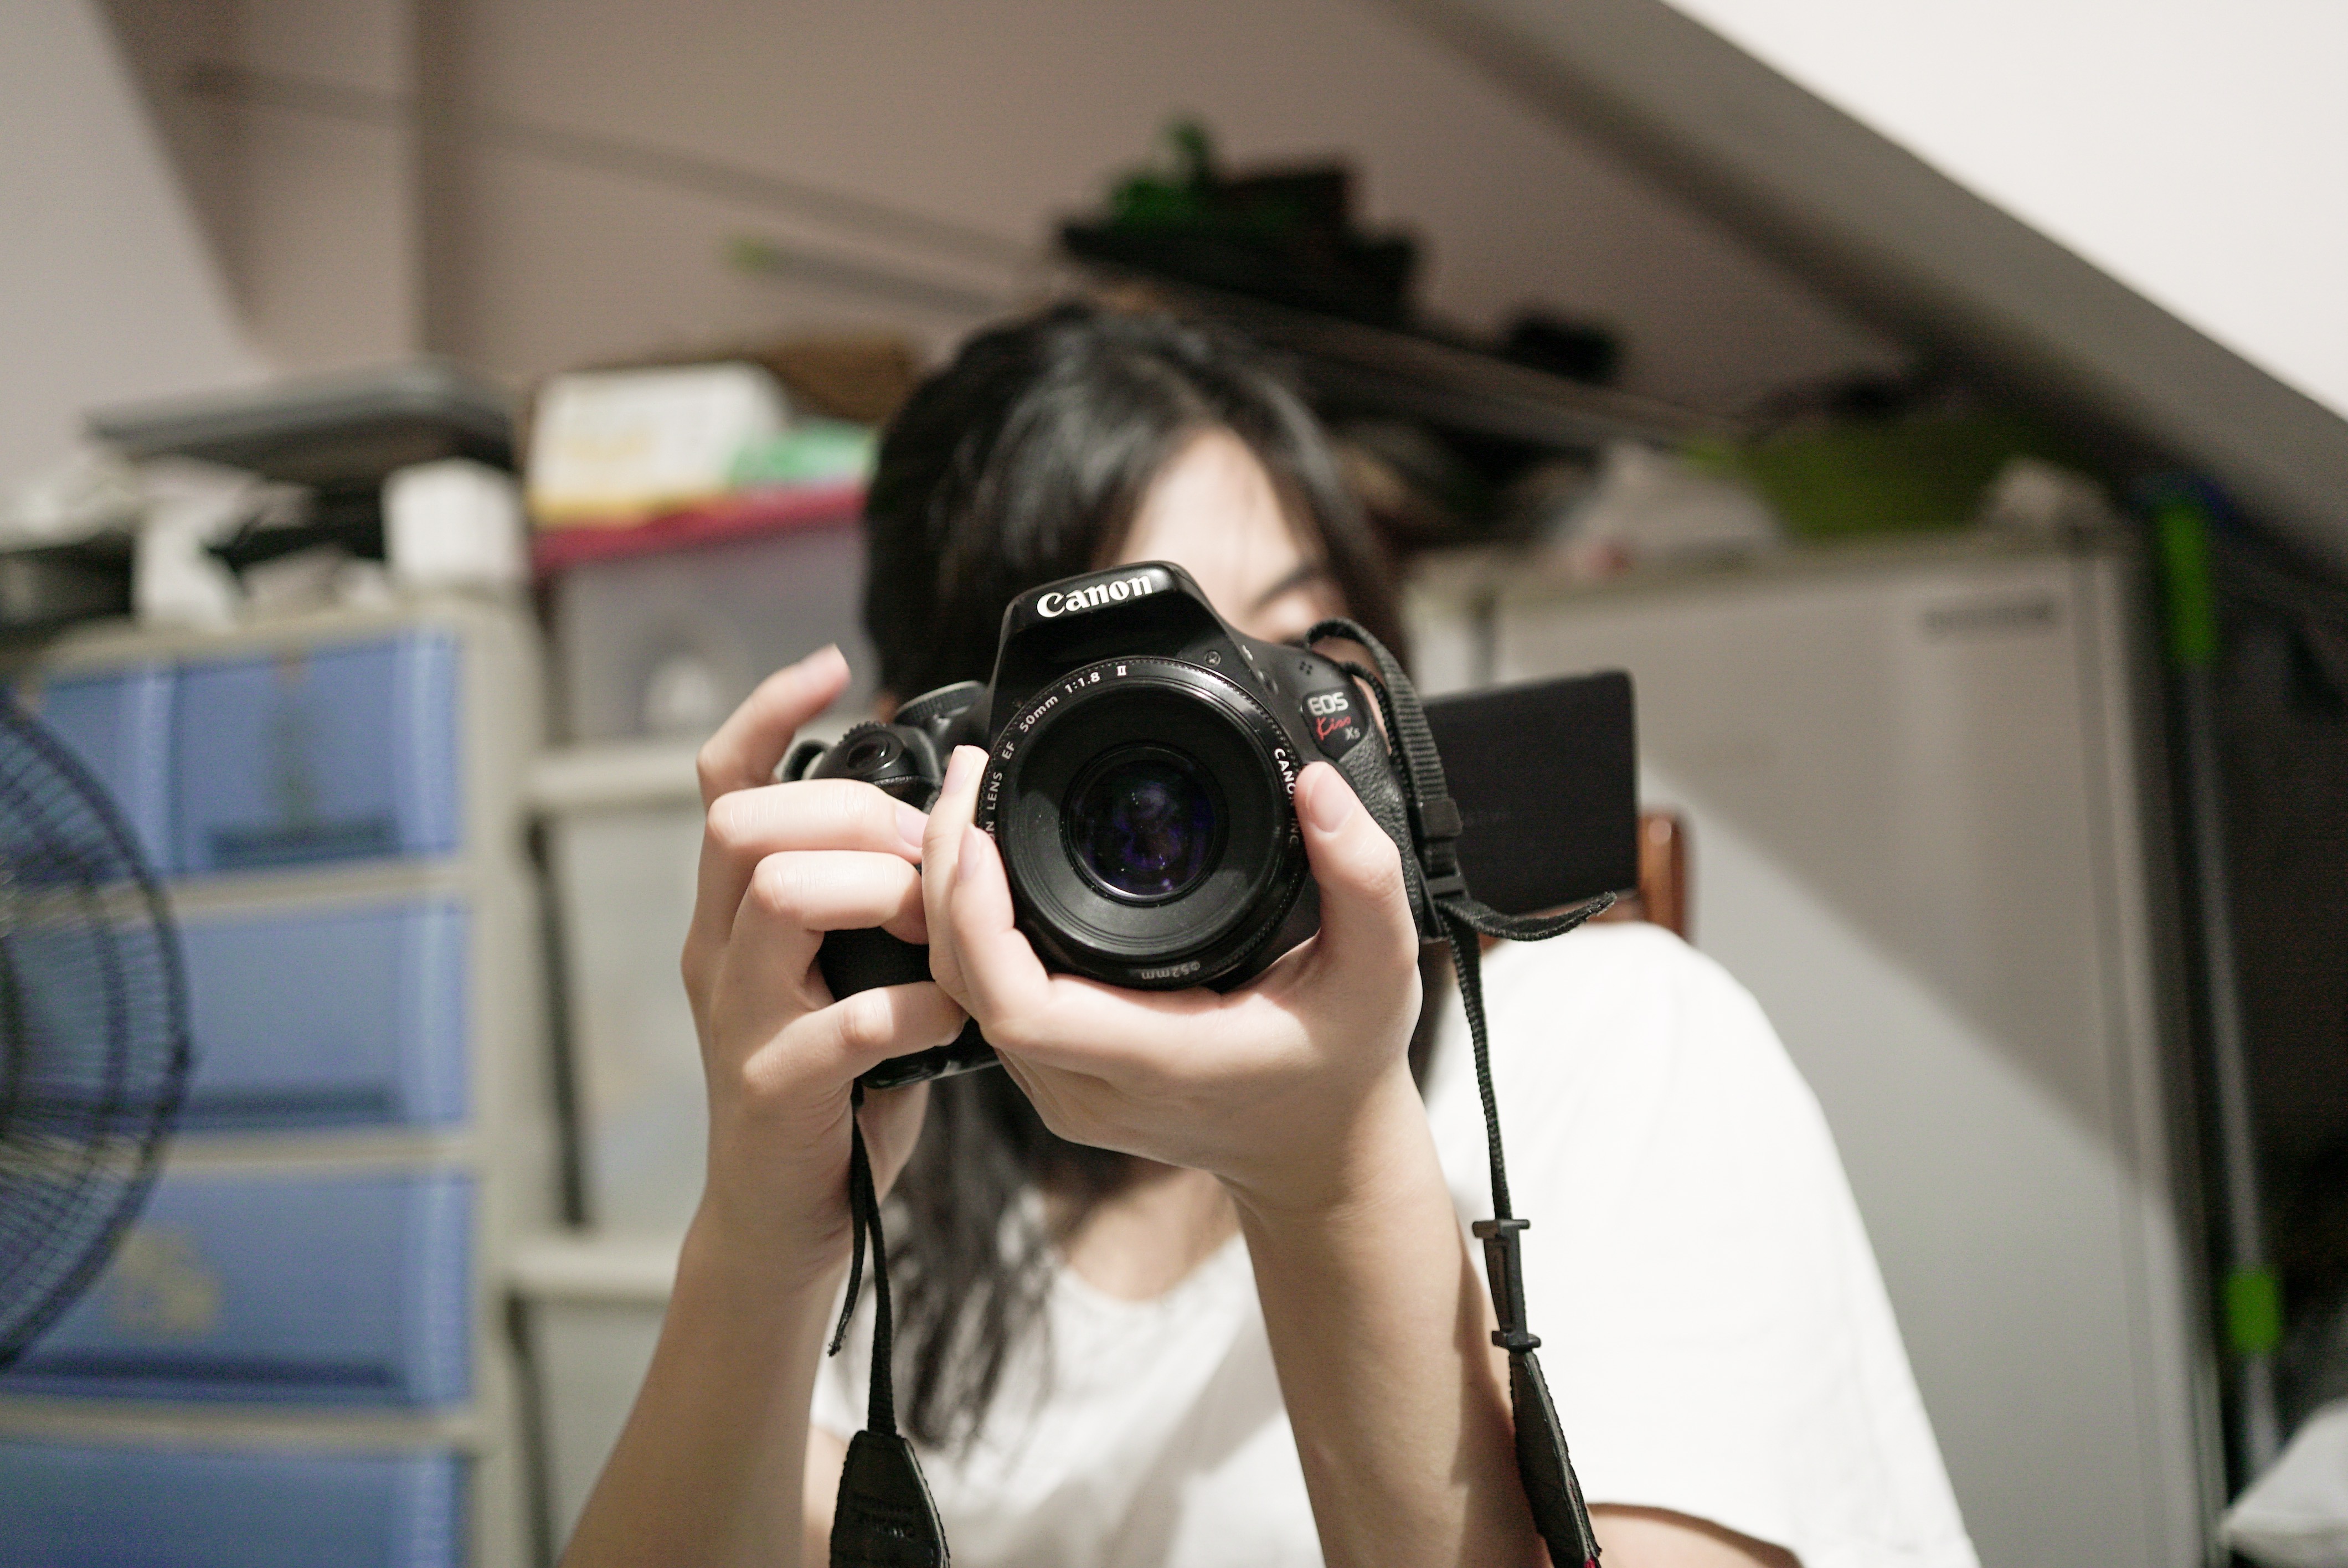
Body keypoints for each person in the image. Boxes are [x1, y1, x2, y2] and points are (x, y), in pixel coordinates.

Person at [563, 306, 1979, 1568]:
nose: (1231, 749)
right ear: (943, 778)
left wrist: (1330, 1171)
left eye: (1284, 653)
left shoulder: (1615, 1050)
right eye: (1130, 710)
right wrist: (761, 1235)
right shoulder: (929, 1172)